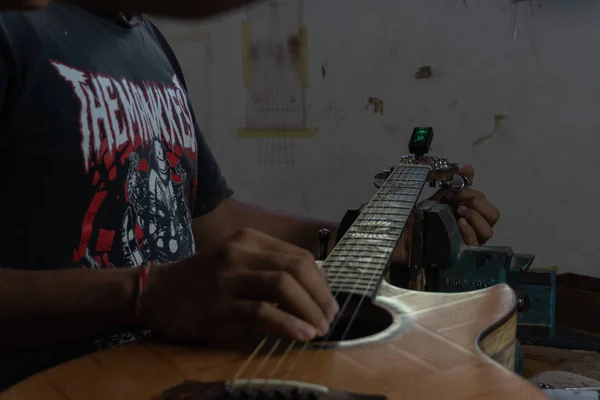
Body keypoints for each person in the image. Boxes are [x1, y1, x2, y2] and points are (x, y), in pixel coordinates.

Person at [0, 1, 500, 390]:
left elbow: (213, 219)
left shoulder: (146, 39)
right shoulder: (15, 26)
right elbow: (165, 285)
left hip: (177, 376)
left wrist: (371, 234)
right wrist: (145, 295)